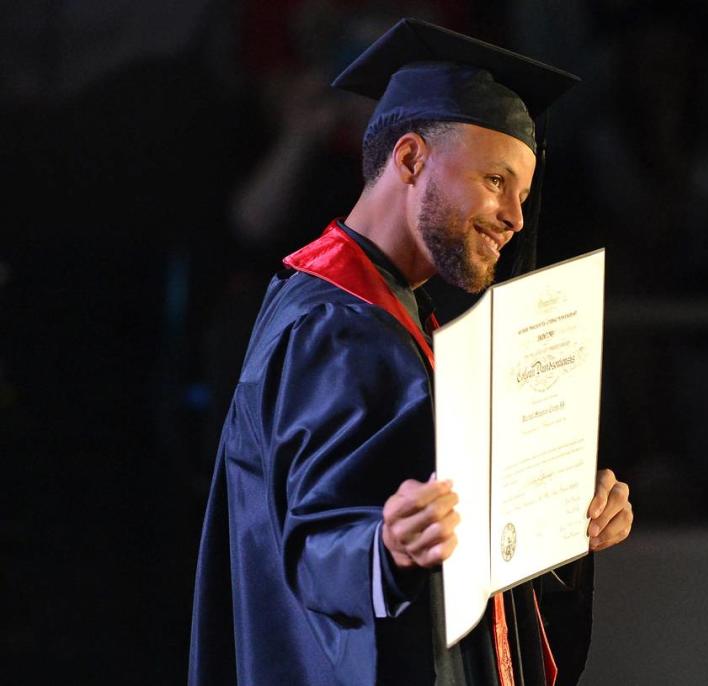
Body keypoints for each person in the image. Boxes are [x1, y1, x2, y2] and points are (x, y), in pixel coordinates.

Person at [189, 18, 633, 686]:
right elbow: (308, 540)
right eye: (494, 180)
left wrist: (559, 525)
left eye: (522, 193)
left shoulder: (400, 315)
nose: (515, 215)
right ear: (410, 159)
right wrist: (382, 549)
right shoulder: (331, 324)